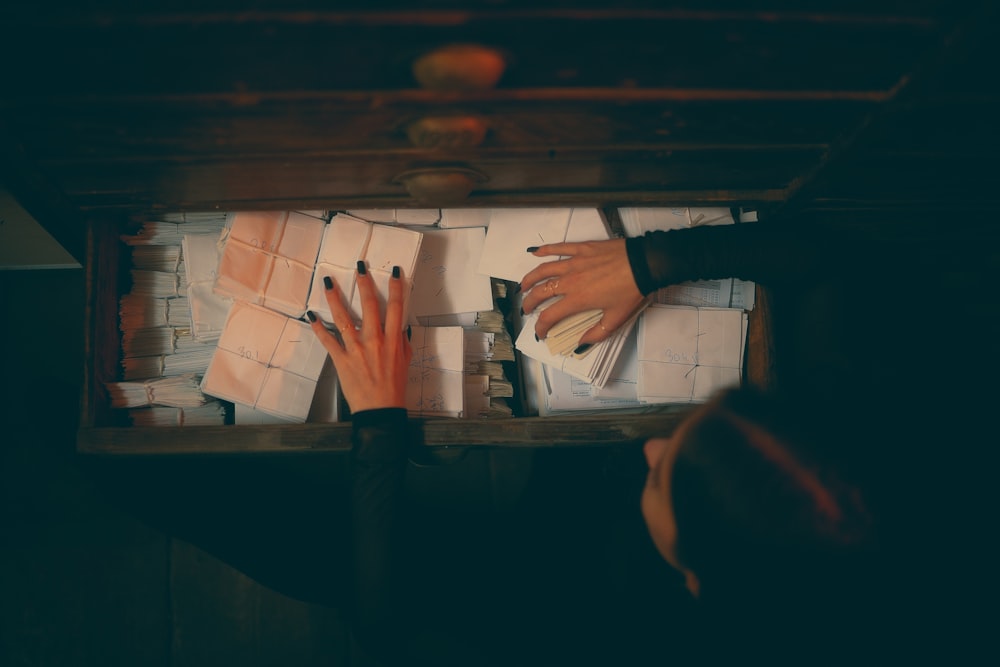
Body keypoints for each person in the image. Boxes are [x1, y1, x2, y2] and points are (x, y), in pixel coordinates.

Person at [307, 237, 898, 664]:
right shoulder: (829, 458)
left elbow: (380, 625)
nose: (651, 447)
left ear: (693, 581)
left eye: (662, 474)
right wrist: (646, 264)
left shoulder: (611, 637)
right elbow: (827, 260)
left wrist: (379, 422)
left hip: (542, 571)